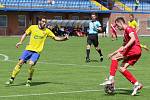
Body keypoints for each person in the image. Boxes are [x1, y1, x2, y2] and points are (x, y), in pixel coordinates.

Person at [5, 17, 69, 86]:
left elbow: (55, 38)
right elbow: (25, 34)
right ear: (39, 22)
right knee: (20, 62)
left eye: (45, 22)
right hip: (28, 49)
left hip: (36, 52)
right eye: (43, 21)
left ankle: (29, 80)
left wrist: (64, 39)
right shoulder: (32, 27)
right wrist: (20, 42)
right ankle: (12, 79)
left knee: (31, 64)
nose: (44, 23)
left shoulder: (47, 31)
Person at [100, 17, 143, 96]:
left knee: (114, 58)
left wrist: (126, 47)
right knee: (121, 68)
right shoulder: (125, 33)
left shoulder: (128, 28)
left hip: (133, 50)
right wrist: (113, 53)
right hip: (137, 52)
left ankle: (111, 79)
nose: (116, 27)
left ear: (120, 23)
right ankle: (136, 84)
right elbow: (122, 47)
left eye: (117, 25)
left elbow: (133, 38)